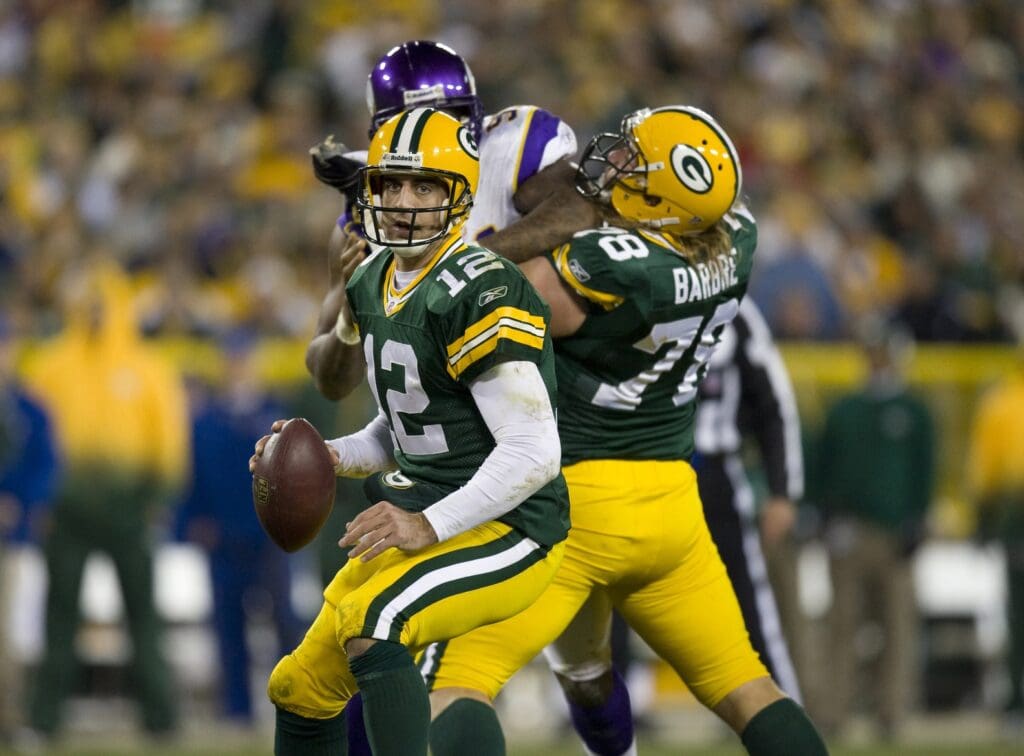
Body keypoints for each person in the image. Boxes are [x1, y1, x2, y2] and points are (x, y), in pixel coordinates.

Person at [421, 105, 828, 756]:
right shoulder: (736, 239)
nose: (611, 165)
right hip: (670, 505)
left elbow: (484, 298)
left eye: (631, 162)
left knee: (457, 681)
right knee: (747, 687)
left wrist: (466, 248)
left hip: (572, 506)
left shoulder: (608, 266)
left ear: (658, 197)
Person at [251, 107, 570, 756]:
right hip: (426, 515)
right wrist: (321, 454)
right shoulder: (372, 279)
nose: (401, 202)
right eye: (390, 185)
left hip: (512, 527)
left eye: (423, 187)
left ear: (459, 196)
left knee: (376, 622)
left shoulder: (481, 286)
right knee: (299, 685)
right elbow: (403, 430)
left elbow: (534, 452)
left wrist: (425, 525)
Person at [22, 260, 190, 741]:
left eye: (103, 304)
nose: (95, 313)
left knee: (143, 616)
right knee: (59, 617)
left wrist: (160, 497)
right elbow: (33, 436)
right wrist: (40, 502)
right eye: (87, 304)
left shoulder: (148, 367)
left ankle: (161, 721)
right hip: (66, 511)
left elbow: (170, 440)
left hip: (129, 508)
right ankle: (44, 720)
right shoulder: (50, 365)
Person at [174, 332, 303, 726]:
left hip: (270, 537)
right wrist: (192, 522)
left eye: (244, 359)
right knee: (228, 627)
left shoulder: (278, 418)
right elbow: (190, 477)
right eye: (232, 359)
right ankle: (236, 712)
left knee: (284, 623)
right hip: (222, 536)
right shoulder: (206, 420)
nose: (238, 367)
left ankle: (297, 706)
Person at [815, 319, 935, 740]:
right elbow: (823, 470)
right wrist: (826, 516)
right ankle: (834, 711)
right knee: (842, 624)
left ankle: (891, 711)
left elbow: (925, 472)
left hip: (894, 531)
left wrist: (919, 520)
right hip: (850, 532)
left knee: (897, 626)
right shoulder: (845, 409)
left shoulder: (915, 411)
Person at [0, 314, 59, 742]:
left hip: (10, 537)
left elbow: (46, 466)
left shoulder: (29, 408)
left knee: (7, 637)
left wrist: (21, 504)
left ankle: (9, 717)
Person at [967, 348, 1024, 729]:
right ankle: (1016, 701)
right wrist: (984, 521)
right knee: (1018, 616)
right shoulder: (1002, 401)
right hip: (1017, 516)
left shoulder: (1002, 400)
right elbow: (984, 471)